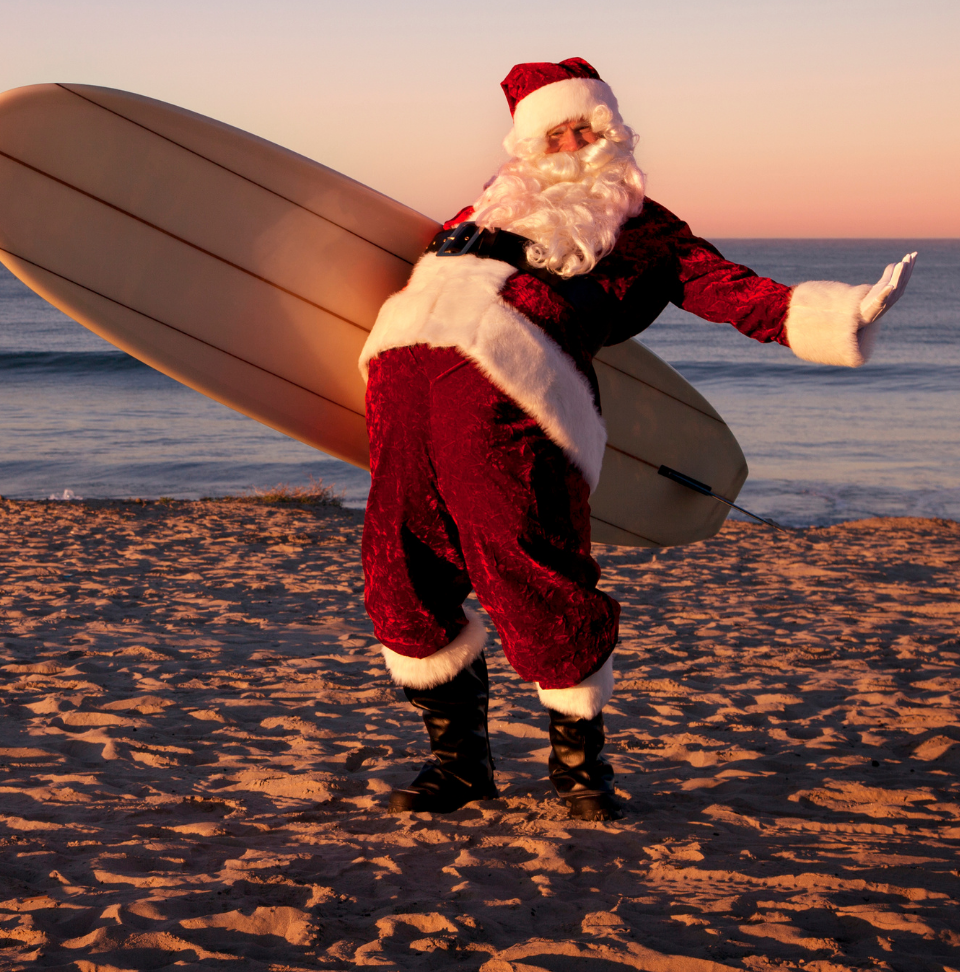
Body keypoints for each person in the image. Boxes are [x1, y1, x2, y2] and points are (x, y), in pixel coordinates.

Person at [358, 57, 915, 820]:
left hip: (514, 390)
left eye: (589, 126)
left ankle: (580, 772)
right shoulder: (481, 208)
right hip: (402, 382)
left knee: (531, 566)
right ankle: (460, 769)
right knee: (400, 566)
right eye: (557, 130)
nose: (575, 141)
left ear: (613, 133)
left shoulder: (642, 228)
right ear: (527, 144)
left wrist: (836, 314)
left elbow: (728, 288)